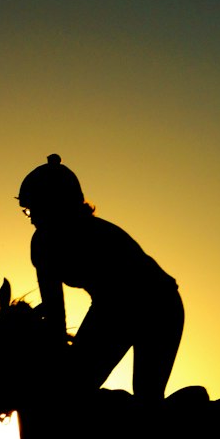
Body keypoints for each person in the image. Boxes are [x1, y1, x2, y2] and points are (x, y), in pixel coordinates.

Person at [18, 154, 184, 401]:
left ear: (56, 205)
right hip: (112, 307)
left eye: (35, 208)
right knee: (74, 384)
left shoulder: (97, 235)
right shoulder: (42, 244)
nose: (31, 217)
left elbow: (64, 314)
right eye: (27, 209)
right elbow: (55, 312)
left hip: (158, 305)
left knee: (146, 395)